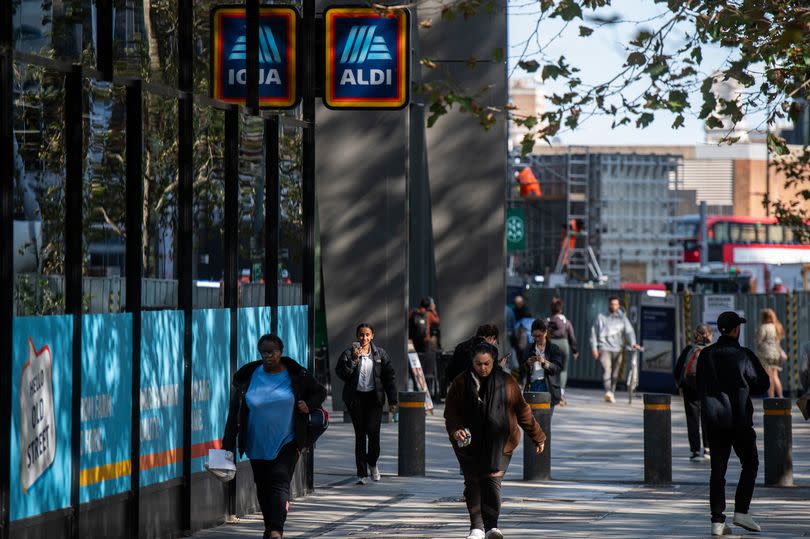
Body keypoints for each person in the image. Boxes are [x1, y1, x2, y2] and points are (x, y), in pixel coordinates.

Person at [223, 334, 327, 539]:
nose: (268, 356)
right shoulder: (249, 376)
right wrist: (227, 444)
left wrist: (309, 405)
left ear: (281, 352)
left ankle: (277, 530)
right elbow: (234, 412)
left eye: (272, 352)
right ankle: (269, 526)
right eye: (264, 352)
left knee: (280, 482)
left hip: (287, 440)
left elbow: (320, 392)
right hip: (256, 442)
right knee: (262, 486)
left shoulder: (296, 374)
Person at [444, 342, 546, 539]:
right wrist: (456, 430)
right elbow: (451, 413)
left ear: (493, 363)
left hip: (501, 440)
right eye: (478, 364)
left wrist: (537, 436)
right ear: (472, 363)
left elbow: (523, 410)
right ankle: (476, 527)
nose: (483, 368)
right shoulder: (461, 383)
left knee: (491, 481)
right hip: (469, 442)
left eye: (487, 364)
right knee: (473, 482)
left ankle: (492, 527)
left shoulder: (506, 382)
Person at [697, 311, 769, 536]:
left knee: (717, 471)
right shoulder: (743, 355)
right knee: (750, 463)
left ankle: (717, 521)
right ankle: (741, 511)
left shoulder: (706, 355)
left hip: (714, 420)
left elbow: (698, 382)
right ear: (736, 330)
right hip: (739, 419)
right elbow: (763, 383)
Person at [335, 323, 398, 485]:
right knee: (360, 436)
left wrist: (392, 401)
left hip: (374, 399)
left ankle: (372, 463)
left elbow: (389, 378)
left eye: (367, 334)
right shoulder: (349, 353)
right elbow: (342, 374)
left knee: (374, 434)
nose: (364, 338)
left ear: (372, 336)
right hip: (355, 399)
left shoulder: (380, 354)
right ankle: (361, 473)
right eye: (361, 335)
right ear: (357, 336)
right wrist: (354, 361)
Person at [673, 324, 712, 461]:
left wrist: (680, 385)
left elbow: (677, 369)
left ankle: (695, 451)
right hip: (707, 389)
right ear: (708, 335)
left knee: (692, 419)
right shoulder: (712, 351)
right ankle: (708, 449)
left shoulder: (689, 349)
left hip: (689, 387)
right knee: (707, 418)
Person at [590, 296, 639, 403]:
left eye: (616, 304)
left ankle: (611, 392)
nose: (614, 306)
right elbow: (594, 333)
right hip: (604, 348)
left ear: (618, 305)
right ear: (609, 304)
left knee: (615, 374)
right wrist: (594, 348)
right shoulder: (601, 317)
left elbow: (629, 332)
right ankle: (608, 391)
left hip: (618, 349)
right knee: (606, 370)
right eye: (612, 304)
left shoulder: (622, 318)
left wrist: (633, 343)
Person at [519, 319, 564, 411]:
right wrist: (527, 364)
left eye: (539, 336)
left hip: (548, 387)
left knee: (545, 422)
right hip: (532, 387)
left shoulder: (553, 349)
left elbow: (557, 369)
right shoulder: (528, 349)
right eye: (534, 336)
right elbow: (521, 370)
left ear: (545, 333)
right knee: (533, 422)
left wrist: (544, 363)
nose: (536, 339)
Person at [547, 297, 578, 403]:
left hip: (551, 344)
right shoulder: (566, 321)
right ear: (561, 309)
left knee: (551, 368)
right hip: (564, 344)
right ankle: (561, 393)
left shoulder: (548, 320)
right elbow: (572, 336)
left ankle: (551, 392)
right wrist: (574, 350)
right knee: (563, 370)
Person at [754, 308, 786, 398]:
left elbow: (758, 341)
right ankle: (780, 396)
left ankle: (771, 397)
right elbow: (778, 342)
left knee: (769, 377)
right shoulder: (777, 326)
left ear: (763, 317)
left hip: (766, 354)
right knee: (775, 376)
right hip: (776, 354)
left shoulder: (763, 327)